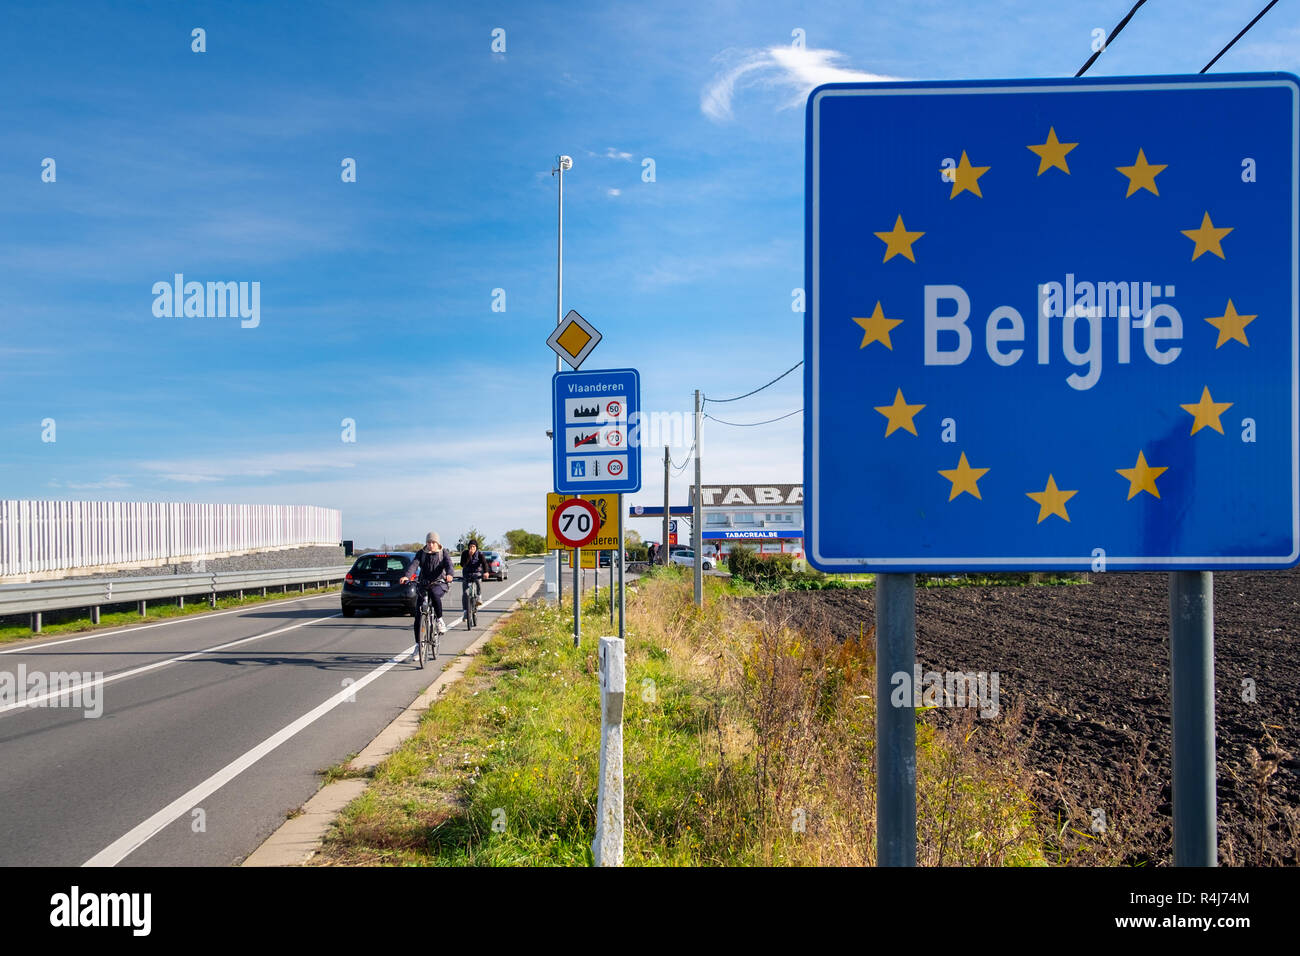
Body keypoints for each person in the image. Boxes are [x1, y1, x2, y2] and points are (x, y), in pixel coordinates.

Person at [400, 532, 453, 647]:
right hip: (423, 584)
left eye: (433, 542)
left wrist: (449, 574)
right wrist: (407, 576)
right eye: (428, 542)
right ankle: (418, 646)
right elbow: (414, 565)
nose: (430, 545)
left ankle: (439, 620)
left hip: (439, 583)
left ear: (437, 543)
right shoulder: (421, 553)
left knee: (434, 593)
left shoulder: (443, 553)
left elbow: (449, 565)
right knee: (418, 617)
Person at [460, 539, 489, 610]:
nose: (472, 548)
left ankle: (479, 597)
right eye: (470, 547)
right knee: (465, 592)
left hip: (477, 572)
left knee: (478, 582)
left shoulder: (480, 554)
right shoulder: (464, 553)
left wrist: (486, 572)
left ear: (476, 547)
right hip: (467, 573)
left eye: (473, 546)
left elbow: (484, 563)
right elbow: (462, 564)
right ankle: (465, 611)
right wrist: (469, 556)